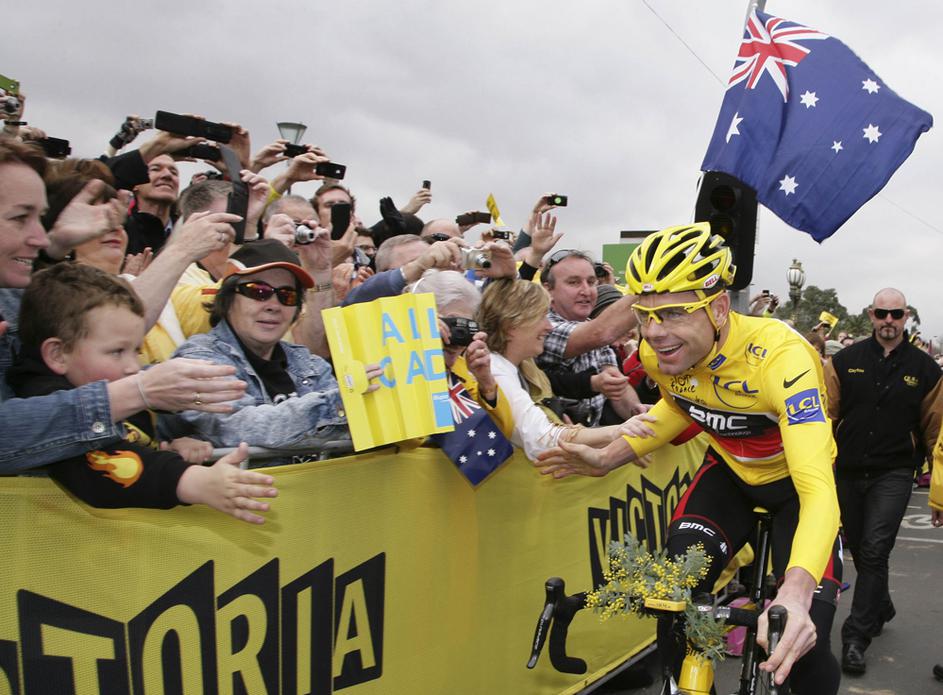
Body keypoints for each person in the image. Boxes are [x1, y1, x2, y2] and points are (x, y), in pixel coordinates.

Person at [535, 224, 842, 692]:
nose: (656, 332)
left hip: (796, 490)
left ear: (718, 308)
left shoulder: (781, 357)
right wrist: (611, 456)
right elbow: (678, 405)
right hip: (729, 479)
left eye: (675, 313)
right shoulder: (659, 352)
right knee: (673, 600)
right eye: (645, 315)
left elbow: (817, 488)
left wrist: (797, 592)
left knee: (801, 645)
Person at [0, 137, 247, 473]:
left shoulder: (19, 287)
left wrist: (166, 436)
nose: (39, 236)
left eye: (41, 218)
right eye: (20, 218)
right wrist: (139, 393)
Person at [7, 262, 276, 523]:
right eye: (117, 351)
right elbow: (99, 468)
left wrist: (170, 449)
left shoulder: (110, 385)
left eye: (136, 350)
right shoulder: (41, 395)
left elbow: (133, 442)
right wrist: (194, 481)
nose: (133, 367)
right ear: (58, 354)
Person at [823, 288, 943, 675]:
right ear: (871, 315)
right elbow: (827, 417)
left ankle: (855, 638)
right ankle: (880, 604)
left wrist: (939, 489)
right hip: (848, 470)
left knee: (875, 550)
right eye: (881, 313)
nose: (888, 320)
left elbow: (935, 432)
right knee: (862, 550)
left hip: (895, 472)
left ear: (906, 316)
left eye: (895, 314)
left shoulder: (926, 369)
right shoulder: (844, 361)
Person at [164, 240, 372, 453]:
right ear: (228, 297)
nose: (273, 306)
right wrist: (341, 402)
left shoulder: (309, 364)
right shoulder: (199, 359)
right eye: (258, 292)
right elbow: (239, 428)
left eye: (287, 296)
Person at [477, 278, 627, 460]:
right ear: (511, 326)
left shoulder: (520, 366)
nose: (549, 327)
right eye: (541, 317)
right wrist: (618, 434)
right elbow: (542, 438)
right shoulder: (496, 372)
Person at [536, 249, 643, 426]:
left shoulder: (592, 327)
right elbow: (600, 333)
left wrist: (637, 411)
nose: (586, 291)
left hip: (589, 436)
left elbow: (617, 387)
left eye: (591, 282)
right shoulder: (541, 325)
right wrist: (651, 289)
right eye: (573, 282)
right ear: (548, 290)